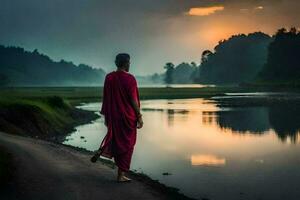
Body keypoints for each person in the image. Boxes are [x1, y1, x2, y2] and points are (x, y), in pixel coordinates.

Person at [91, 53, 143, 182]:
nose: (130, 64)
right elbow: (133, 100)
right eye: (129, 62)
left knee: (117, 142)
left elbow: (107, 99)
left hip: (113, 117)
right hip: (127, 118)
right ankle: (121, 175)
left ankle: (119, 171)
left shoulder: (109, 77)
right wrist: (139, 116)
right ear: (125, 63)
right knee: (128, 144)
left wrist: (107, 118)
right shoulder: (130, 79)